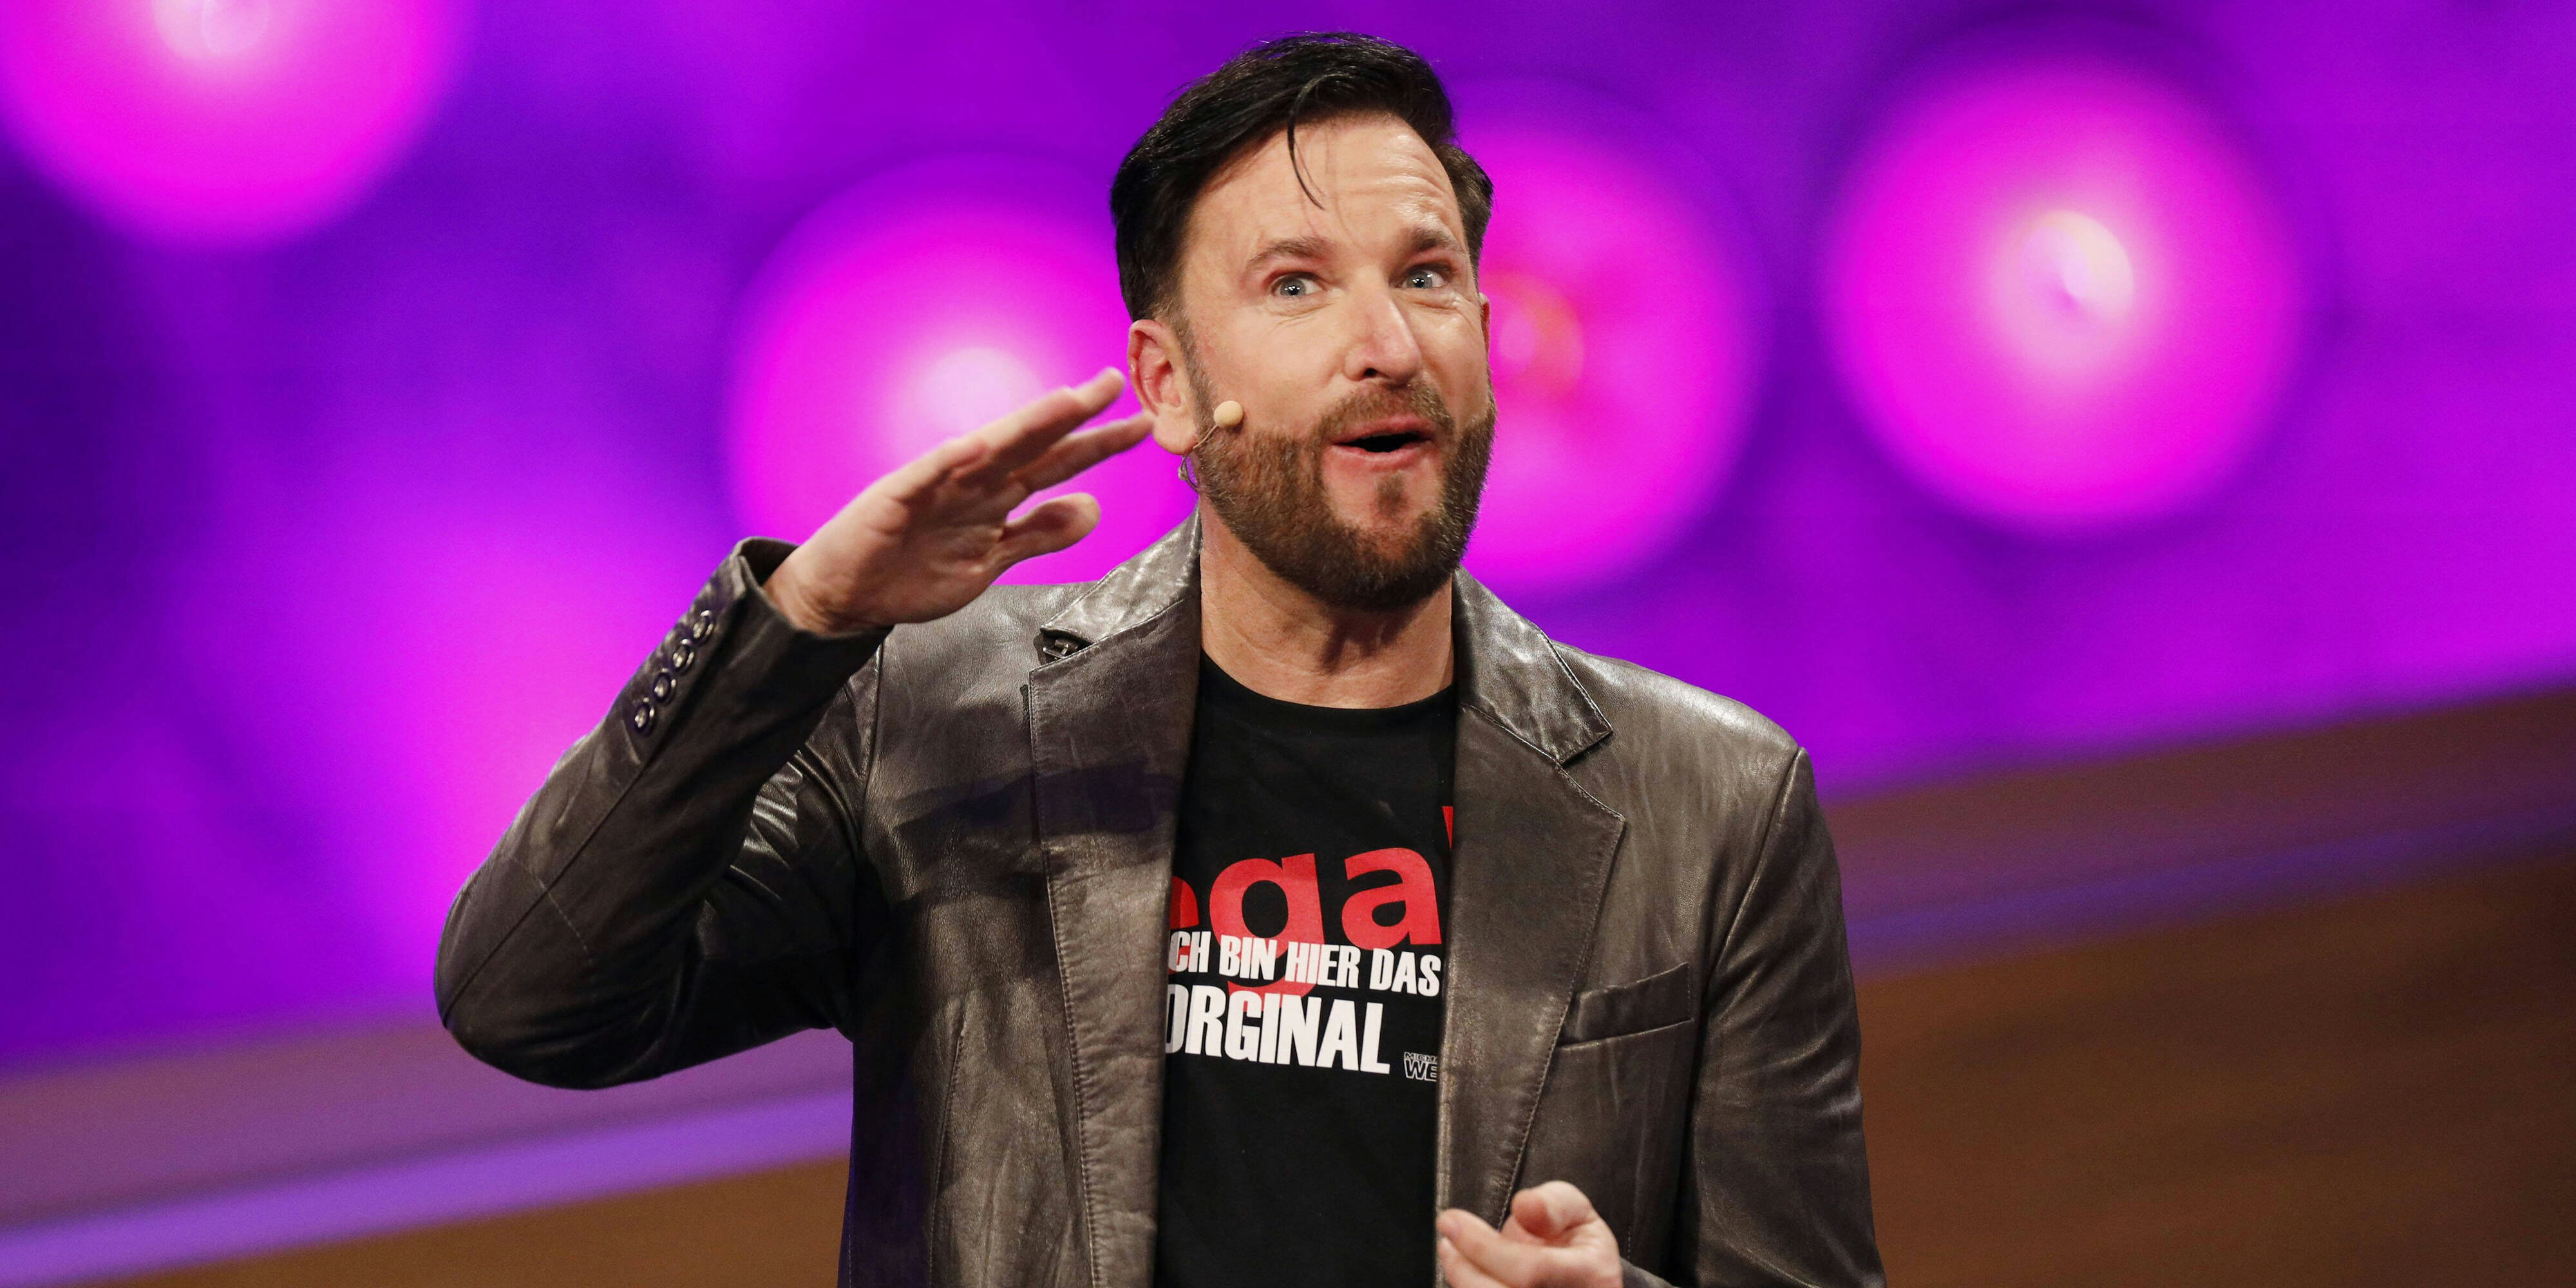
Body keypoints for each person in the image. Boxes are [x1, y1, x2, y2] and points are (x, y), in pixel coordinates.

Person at [435, 32, 1880, 1288]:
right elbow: (529, 998)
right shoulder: (935, 720)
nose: (1388, 341)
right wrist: (796, 622)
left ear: (1486, 340)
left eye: (1428, 276)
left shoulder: (1714, 804)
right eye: (1297, 285)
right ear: (1170, 387)